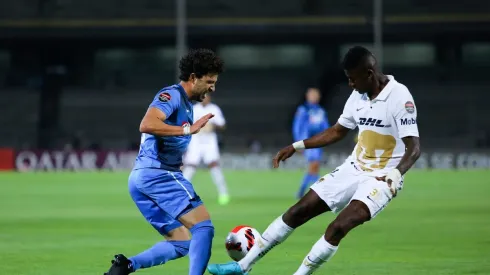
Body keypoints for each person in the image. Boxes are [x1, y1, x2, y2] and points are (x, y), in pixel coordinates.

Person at [207, 45, 421, 275]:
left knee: (338, 226)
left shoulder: (399, 97)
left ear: (369, 74)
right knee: (299, 210)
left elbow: (414, 148)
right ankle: (242, 266)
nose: (350, 84)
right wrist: (297, 146)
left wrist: (396, 173)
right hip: (354, 167)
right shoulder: (358, 95)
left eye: (353, 79)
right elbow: (338, 131)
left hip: (382, 178)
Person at [104, 48, 224, 275]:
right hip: (158, 175)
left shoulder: (187, 104)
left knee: (181, 243)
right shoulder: (172, 95)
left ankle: (126, 266)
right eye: (209, 81)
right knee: (203, 228)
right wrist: (188, 129)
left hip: (141, 179)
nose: (212, 88)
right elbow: (147, 124)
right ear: (193, 77)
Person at [183, 94, 230, 205]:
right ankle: (182, 194)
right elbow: (185, 124)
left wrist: (213, 125)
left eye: (206, 96)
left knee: (214, 166)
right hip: (196, 142)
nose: (205, 98)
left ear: (209, 98)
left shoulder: (214, 109)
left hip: (209, 142)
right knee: (190, 166)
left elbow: (223, 125)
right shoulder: (194, 109)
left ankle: (223, 193)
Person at [292, 87, 330, 198]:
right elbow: (297, 127)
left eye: (316, 95)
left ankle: (302, 191)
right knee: (314, 165)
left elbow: (325, 126)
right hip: (308, 142)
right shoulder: (303, 109)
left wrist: (328, 137)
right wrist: (298, 143)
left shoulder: (320, 111)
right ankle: (321, 190)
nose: (315, 97)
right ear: (308, 96)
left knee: (314, 167)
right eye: (312, 95)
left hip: (319, 142)